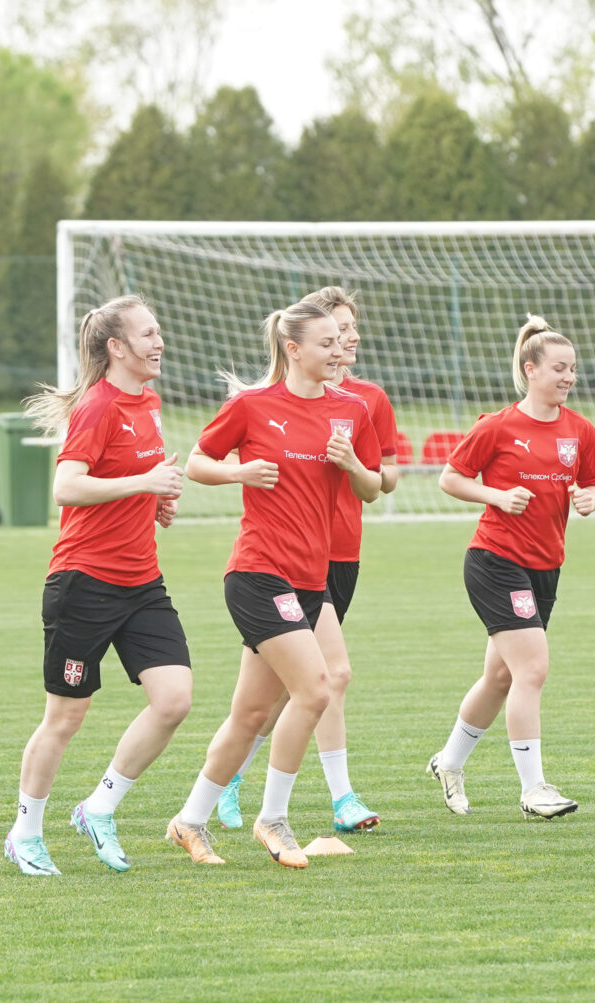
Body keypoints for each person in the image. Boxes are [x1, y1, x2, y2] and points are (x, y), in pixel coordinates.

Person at [164, 298, 383, 869]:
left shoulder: (351, 411)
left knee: (250, 716)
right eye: (327, 343)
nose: (339, 351)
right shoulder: (253, 406)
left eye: (342, 341)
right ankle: (273, 818)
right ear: (293, 349)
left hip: (313, 581)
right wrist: (239, 471)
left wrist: (352, 464)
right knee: (316, 688)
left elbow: (371, 488)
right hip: (259, 573)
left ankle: (188, 821)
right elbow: (197, 463)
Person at [4, 296, 191, 876]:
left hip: (143, 582)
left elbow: (131, 479)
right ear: (116, 347)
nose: (159, 342)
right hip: (83, 583)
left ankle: (99, 806)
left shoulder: (149, 403)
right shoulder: (98, 406)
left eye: (159, 332)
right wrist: (143, 480)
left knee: (174, 700)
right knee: (65, 718)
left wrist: (156, 498)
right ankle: (25, 833)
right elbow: (67, 486)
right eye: (148, 333)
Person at [217, 286, 399, 834]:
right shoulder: (269, 404)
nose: (349, 339)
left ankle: (226, 782)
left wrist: (351, 465)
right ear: (305, 342)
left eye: (350, 330)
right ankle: (334, 797)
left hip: (338, 556)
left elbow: (385, 478)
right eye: (337, 330)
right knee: (323, 678)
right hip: (281, 561)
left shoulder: (366, 402)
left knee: (294, 687)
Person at [425, 315, 595, 820]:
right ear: (531, 370)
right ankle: (534, 790)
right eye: (559, 369)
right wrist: (497, 496)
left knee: (500, 677)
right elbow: (450, 478)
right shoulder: (497, 426)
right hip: (495, 560)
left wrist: (591, 499)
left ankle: (450, 762)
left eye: (572, 369)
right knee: (533, 668)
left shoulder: (580, 430)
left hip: (545, 565)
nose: (568, 378)